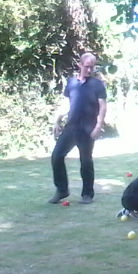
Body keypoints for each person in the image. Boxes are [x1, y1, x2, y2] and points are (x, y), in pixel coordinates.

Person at [48, 52, 107, 204]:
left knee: (86, 161)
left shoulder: (97, 84)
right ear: (80, 65)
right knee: (56, 156)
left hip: (88, 128)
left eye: (92, 67)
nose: (89, 70)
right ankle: (62, 190)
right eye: (87, 67)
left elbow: (102, 106)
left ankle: (87, 194)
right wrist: (57, 120)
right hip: (71, 126)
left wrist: (99, 125)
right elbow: (66, 104)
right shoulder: (71, 83)